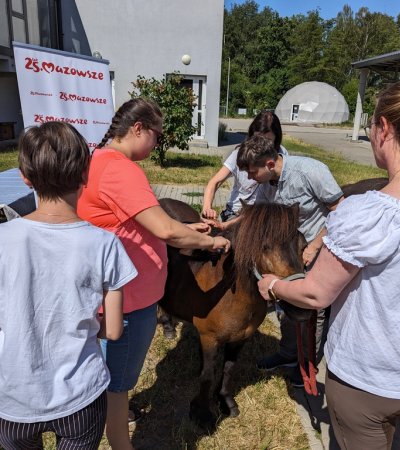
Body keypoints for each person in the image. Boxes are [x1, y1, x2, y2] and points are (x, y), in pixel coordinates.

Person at [257, 79, 400, 449]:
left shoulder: (369, 213)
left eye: (371, 124)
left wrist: (274, 285)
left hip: (370, 382)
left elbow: (315, 294)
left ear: (384, 129)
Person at [77, 98, 230, 450]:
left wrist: (189, 227)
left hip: (115, 295)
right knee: (117, 385)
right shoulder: (120, 168)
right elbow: (166, 231)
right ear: (138, 129)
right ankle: (120, 442)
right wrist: (210, 242)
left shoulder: (97, 160)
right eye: (157, 137)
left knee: (111, 377)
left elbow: (136, 221)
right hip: (128, 303)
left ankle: (109, 421)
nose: (157, 145)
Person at [0, 122, 137, 450]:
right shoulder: (106, 244)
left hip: (13, 398)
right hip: (81, 396)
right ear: (85, 176)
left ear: (24, 177)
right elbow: (114, 331)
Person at [236, 134, 344, 386]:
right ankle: (287, 354)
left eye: (253, 173)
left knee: (311, 310)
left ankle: (307, 364)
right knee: (286, 303)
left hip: (318, 249)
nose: (250, 179)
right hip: (292, 253)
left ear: (270, 164)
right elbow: (257, 217)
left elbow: (341, 210)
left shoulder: (310, 171)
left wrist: (316, 245)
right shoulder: (266, 184)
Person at [202, 111, 288, 223]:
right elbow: (215, 182)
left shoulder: (282, 156)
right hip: (237, 213)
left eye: (267, 141)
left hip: (264, 215)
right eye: (256, 139)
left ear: (277, 138)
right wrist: (207, 207)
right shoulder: (241, 154)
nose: (261, 146)